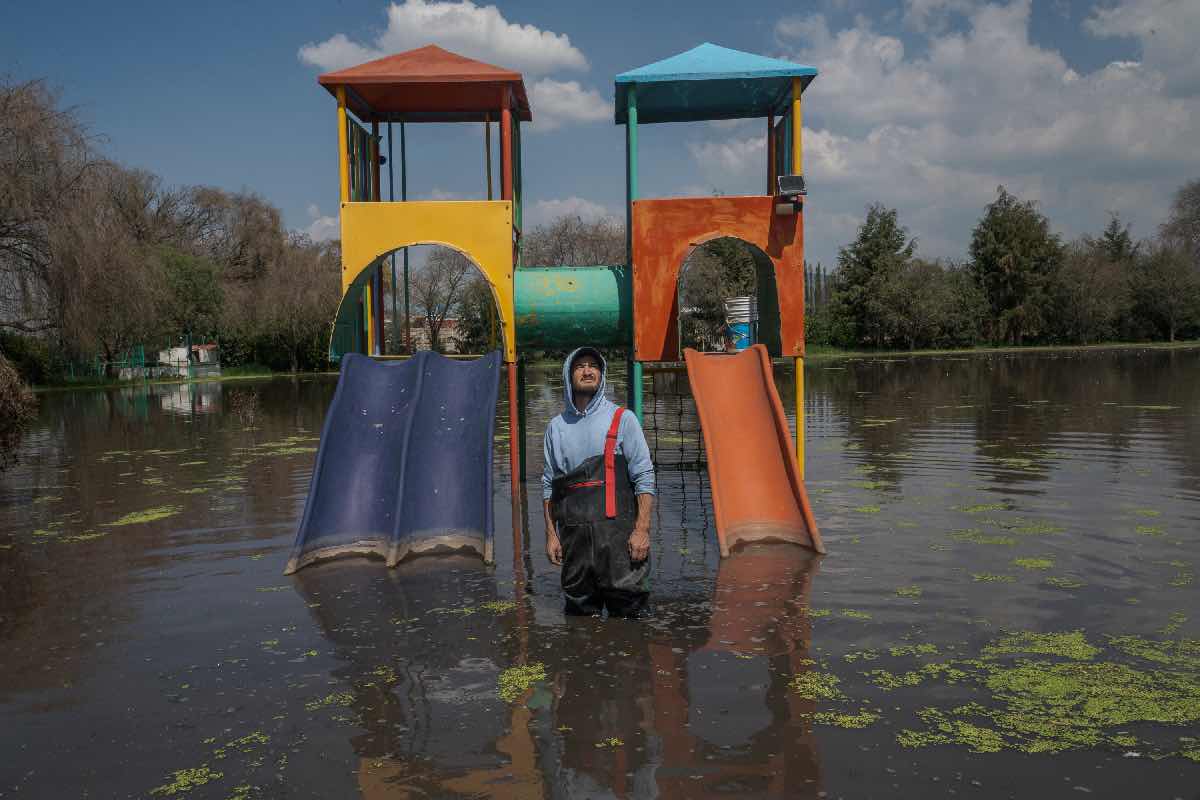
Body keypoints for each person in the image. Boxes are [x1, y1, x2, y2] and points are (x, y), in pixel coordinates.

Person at [542, 347, 655, 617]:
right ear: (569, 376)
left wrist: (642, 530)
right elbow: (549, 486)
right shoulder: (555, 428)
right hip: (575, 545)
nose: (588, 370)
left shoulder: (623, 419)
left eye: (594, 365)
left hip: (619, 543)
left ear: (602, 375)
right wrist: (551, 535)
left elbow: (644, 476)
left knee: (631, 622)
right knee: (579, 622)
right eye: (580, 366)